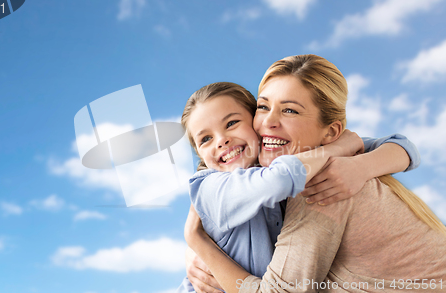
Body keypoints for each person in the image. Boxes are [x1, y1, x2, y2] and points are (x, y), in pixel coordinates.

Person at [184, 54, 446, 293]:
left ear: (330, 132)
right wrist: (343, 150)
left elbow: (402, 145)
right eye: (263, 107)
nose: (268, 122)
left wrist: (201, 245)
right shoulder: (320, 160)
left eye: (290, 110)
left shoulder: (327, 184)